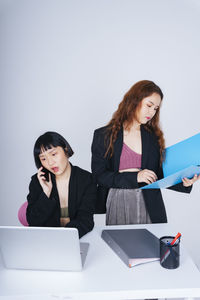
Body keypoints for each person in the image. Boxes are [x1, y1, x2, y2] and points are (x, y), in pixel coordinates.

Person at [91, 80, 200, 225]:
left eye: (156, 108)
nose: (152, 112)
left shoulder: (153, 136)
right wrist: (135, 176)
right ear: (134, 101)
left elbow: (158, 174)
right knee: (121, 246)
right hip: (119, 201)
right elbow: (99, 176)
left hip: (150, 203)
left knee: (151, 247)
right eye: (149, 105)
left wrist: (184, 181)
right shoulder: (104, 135)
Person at [26, 131, 96, 238]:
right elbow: (33, 221)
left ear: (66, 150)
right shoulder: (38, 181)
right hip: (46, 240)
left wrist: (64, 238)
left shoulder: (86, 179)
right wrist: (46, 193)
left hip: (76, 239)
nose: (50, 162)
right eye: (43, 159)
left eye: (53, 154)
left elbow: (85, 220)